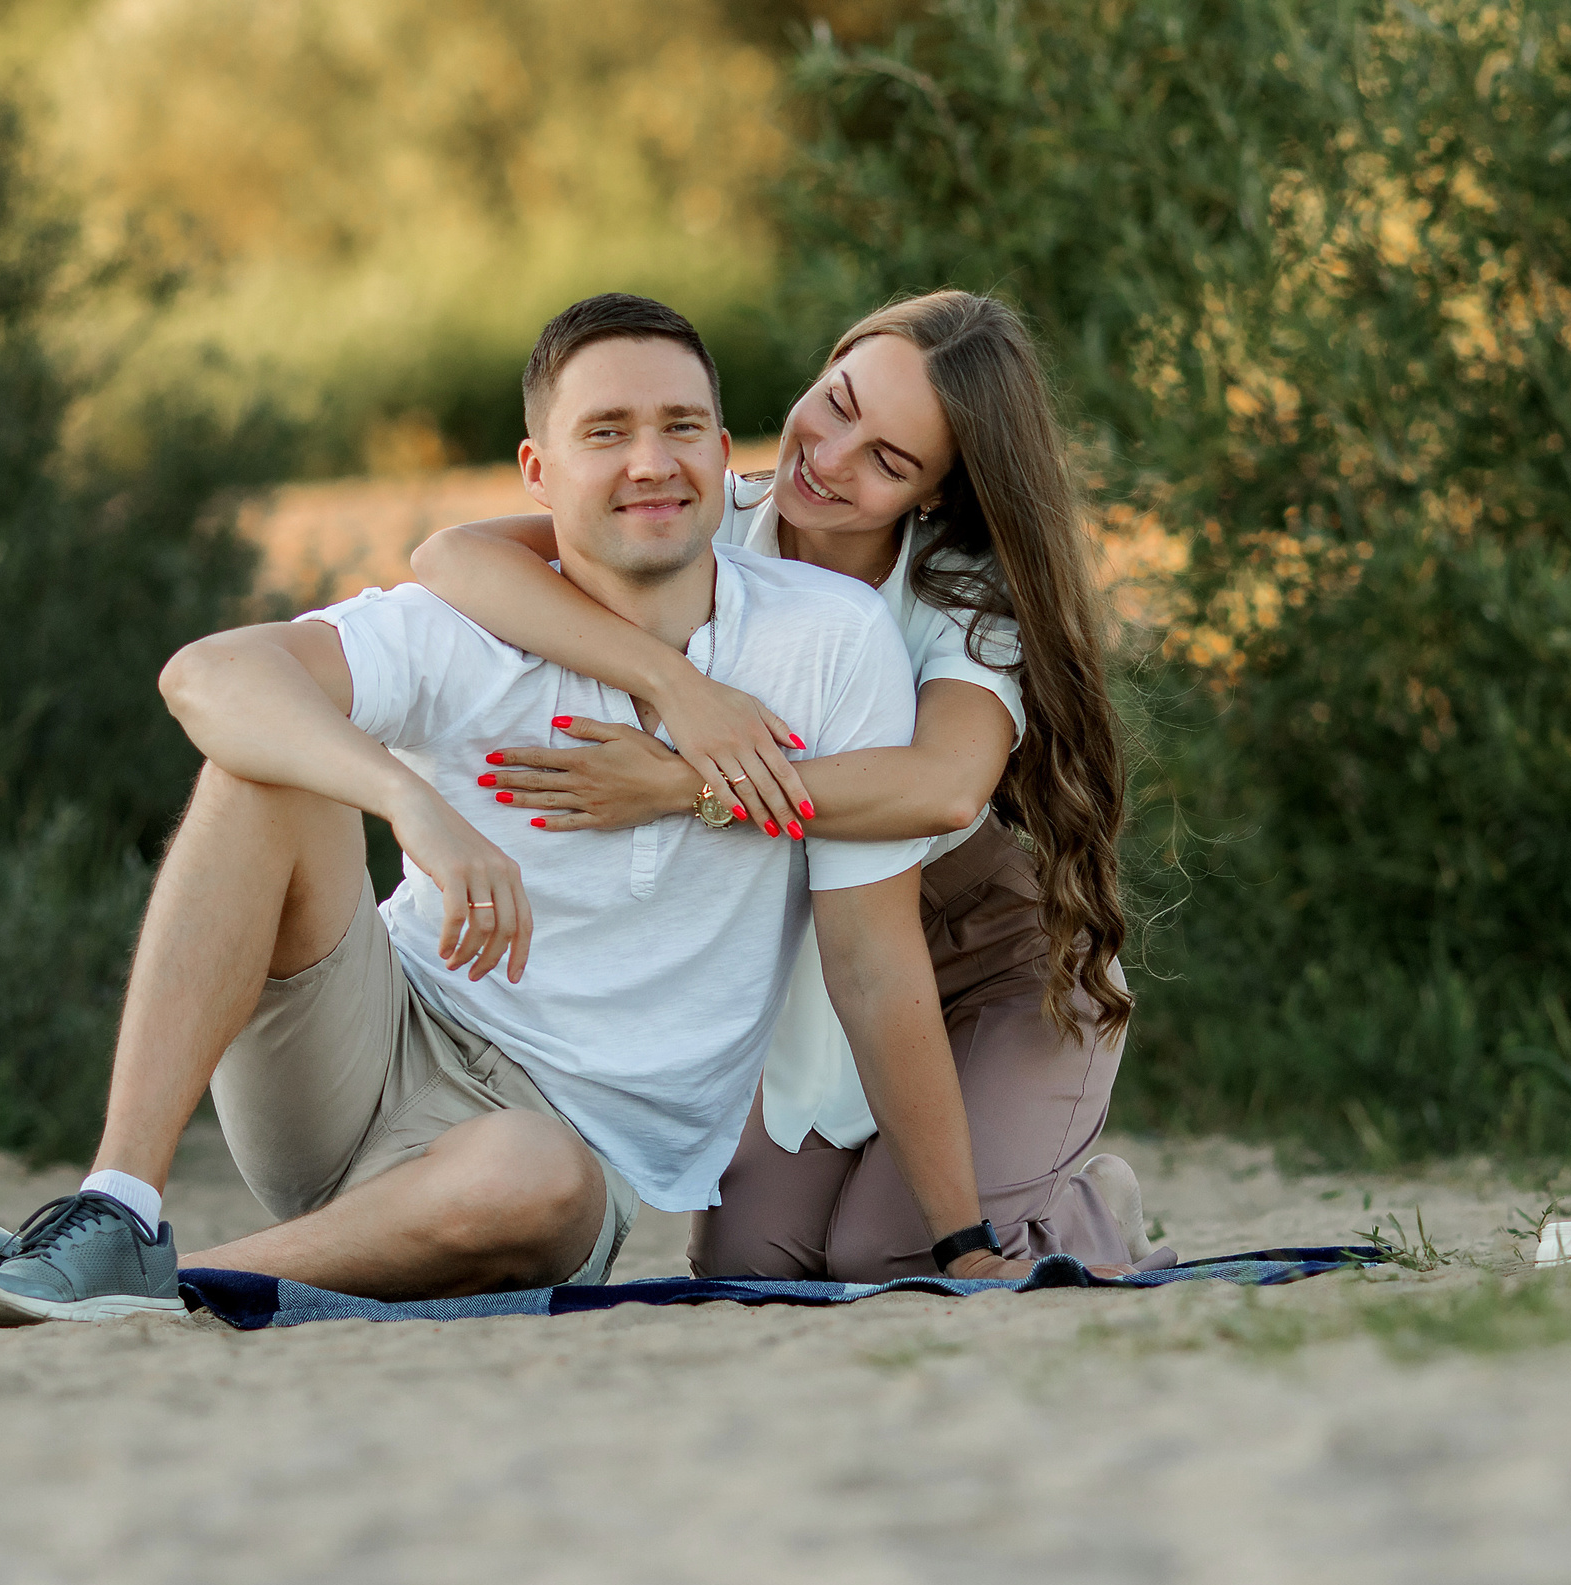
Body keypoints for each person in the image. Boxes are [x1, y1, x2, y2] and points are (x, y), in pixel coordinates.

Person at [0, 292, 1041, 1325]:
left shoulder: (840, 647)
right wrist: (404, 801)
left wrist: (962, 1241)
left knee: (537, 1181)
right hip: (362, 1049)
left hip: (553, 1154)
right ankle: (114, 1206)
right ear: (538, 475)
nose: (652, 461)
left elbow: (878, 959)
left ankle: (143, 1280)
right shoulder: (476, 613)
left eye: (680, 427)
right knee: (265, 759)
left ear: (717, 448)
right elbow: (208, 675)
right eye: (606, 433)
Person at [409, 290, 1162, 1283]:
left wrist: (686, 785)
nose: (830, 457)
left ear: (935, 492)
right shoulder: (709, 518)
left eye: (889, 460)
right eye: (837, 403)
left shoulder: (962, 597)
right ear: (826, 363)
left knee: (895, 1255)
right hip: (822, 963)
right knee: (756, 1267)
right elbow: (449, 558)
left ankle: (1086, 1210)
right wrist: (674, 686)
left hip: (989, 960)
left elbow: (940, 786)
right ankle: (943, 1170)